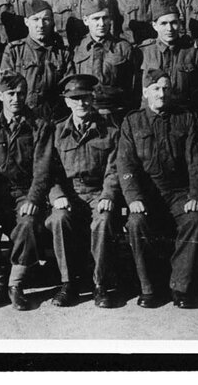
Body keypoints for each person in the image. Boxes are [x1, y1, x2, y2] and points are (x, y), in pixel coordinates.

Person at [115, 69, 198, 309]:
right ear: (146, 92)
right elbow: (125, 164)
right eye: (156, 89)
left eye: (166, 88)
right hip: (148, 193)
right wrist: (133, 197)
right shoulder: (132, 121)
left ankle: (180, 287)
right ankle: (148, 288)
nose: (162, 94)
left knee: (194, 218)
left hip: (179, 191)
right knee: (136, 223)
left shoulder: (186, 118)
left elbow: (197, 160)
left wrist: (196, 194)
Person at [37, 74, 124, 309]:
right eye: (75, 99)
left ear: (92, 98)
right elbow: (49, 171)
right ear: (67, 102)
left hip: (98, 193)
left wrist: (108, 195)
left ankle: (100, 284)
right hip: (70, 194)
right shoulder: (56, 132)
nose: (81, 103)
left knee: (104, 221)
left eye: (85, 98)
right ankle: (68, 283)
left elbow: (114, 170)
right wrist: (57, 196)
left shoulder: (111, 131)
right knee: (59, 219)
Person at [0, 71, 52, 310]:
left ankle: (15, 284)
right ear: (0, 95)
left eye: (20, 94)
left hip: (25, 193)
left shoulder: (39, 125)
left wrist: (35, 198)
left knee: (28, 222)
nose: (16, 99)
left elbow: (43, 167)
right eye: (10, 94)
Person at [0, 0, 73, 121]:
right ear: (26, 21)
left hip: (54, 119)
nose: (41, 25)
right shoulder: (14, 51)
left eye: (46, 19)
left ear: (52, 22)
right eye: (35, 19)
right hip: (23, 118)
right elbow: (5, 87)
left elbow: (69, 87)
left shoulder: (62, 53)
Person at [69, 0, 140, 117]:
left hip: (116, 112)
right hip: (85, 111)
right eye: (96, 19)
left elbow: (132, 88)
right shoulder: (77, 49)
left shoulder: (123, 48)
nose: (101, 24)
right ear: (86, 20)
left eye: (105, 18)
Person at [137, 1, 198, 112]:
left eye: (173, 22)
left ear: (179, 24)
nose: (169, 29)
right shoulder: (143, 51)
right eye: (163, 23)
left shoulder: (193, 51)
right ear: (154, 26)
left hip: (183, 114)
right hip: (152, 115)